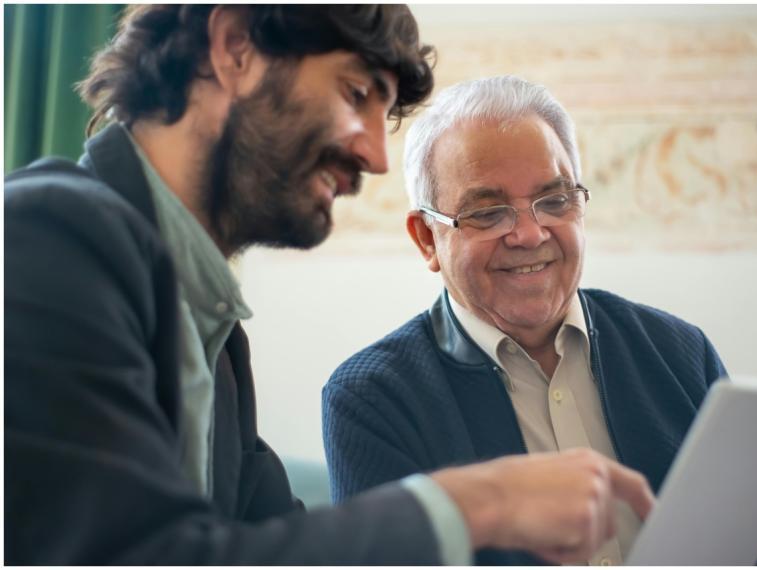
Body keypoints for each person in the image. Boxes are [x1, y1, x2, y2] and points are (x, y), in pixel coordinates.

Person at [4, 7, 655, 566]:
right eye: (355, 93)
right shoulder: (45, 235)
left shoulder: (215, 336)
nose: (374, 155)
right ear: (235, 49)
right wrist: (483, 501)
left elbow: (276, 546)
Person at [322, 75, 757, 565]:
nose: (531, 234)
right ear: (427, 239)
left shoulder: (680, 352)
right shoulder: (370, 400)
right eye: (489, 212)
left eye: (555, 201)